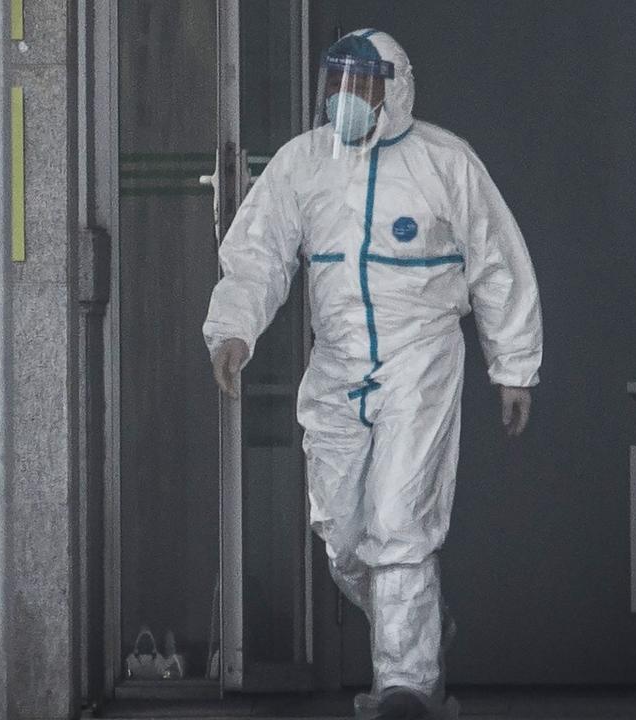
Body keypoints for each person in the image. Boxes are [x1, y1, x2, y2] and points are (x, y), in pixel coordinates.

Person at [203, 28, 542, 719]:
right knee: (342, 534)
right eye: (336, 86)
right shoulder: (304, 164)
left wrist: (514, 366)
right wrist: (233, 331)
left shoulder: (445, 162)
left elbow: (497, 264)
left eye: (361, 86)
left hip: (420, 360)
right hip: (336, 365)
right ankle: (419, 624)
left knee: (399, 519)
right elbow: (258, 254)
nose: (346, 100)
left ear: (395, 89)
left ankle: (406, 685)